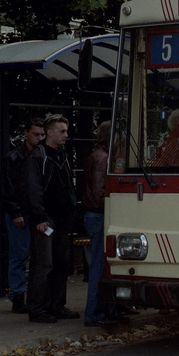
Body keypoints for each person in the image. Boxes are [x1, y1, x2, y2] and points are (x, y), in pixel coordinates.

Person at [20, 115, 78, 323]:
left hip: (61, 217)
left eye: (66, 131)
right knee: (43, 264)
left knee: (61, 263)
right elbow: (32, 189)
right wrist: (39, 216)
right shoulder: (38, 156)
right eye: (62, 131)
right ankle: (37, 308)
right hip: (47, 218)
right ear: (50, 132)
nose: (66, 135)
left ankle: (56, 305)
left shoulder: (60, 155)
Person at [81, 121, 125, 327]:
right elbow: (100, 193)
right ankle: (95, 313)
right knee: (100, 267)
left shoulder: (99, 156)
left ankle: (103, 310)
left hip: (95, 215)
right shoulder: (103, 159)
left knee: (102, 266)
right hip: (100, 216)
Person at [0, 118, 45, 314]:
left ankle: (21, 294)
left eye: (42, 135)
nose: (40, 138)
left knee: (28, 255)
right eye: (36, 134)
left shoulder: (36, 155)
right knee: (19, 256)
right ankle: (18, 295)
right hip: (23, 213)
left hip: (31, 213)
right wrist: (16, 212)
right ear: (26, 133)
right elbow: (8, 188)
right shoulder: (15, 158)